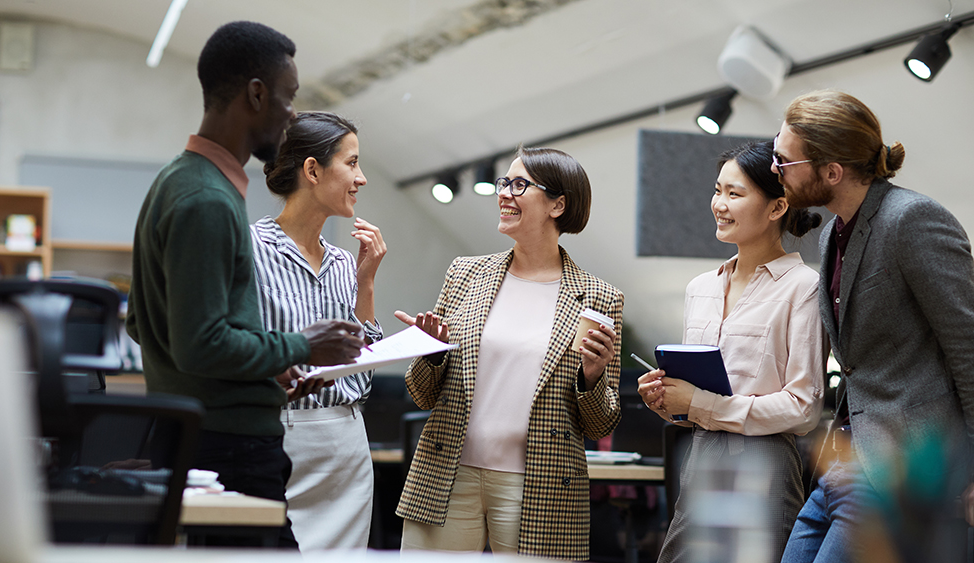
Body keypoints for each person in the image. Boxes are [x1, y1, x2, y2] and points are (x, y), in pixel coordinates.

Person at [126, 22, 364, 549]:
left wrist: (267, 368)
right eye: (289, 98)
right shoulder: (208, 200)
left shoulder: (177, 180)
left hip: (204, 438)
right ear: (257, 94)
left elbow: (143, 323)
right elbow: (201, 341)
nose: (292, 116)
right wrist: (304, 345)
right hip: (229, 448)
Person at [393, 146, 623, 561]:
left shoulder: (600, 298)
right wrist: (430, 354)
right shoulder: (464, 274)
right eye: (504, 182)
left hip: (540, 485)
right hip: (447, 473)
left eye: (520, 185)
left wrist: (592, 375)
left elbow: (599, 422)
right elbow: (422, 394)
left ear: (559, 204)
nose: (505, 193)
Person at [774, 90, 974, 563]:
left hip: (905, 468)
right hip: (845, 459)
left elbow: (969, 347)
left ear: (831, 172)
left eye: (785, 161)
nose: (775, 169)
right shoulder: (831, 235)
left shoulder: (912, 219)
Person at [638, 141, 826, 563]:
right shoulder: (699, 288)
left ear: (777, 208)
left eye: (735, 194)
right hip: (700, 455)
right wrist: (667, 399)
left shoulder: (803, 288)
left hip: (766, 462)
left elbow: (803, 407)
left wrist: (700, 403)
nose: (719, 204)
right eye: (717, 190)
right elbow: (697, 396)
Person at [249, 111, 386, 551]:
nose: (361, 178)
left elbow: (361, 377)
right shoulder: (249, 249)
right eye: (352, 163)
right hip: (278, 440)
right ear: (312, 170)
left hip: (346, 448)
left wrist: (366, 284)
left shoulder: (346, 263)